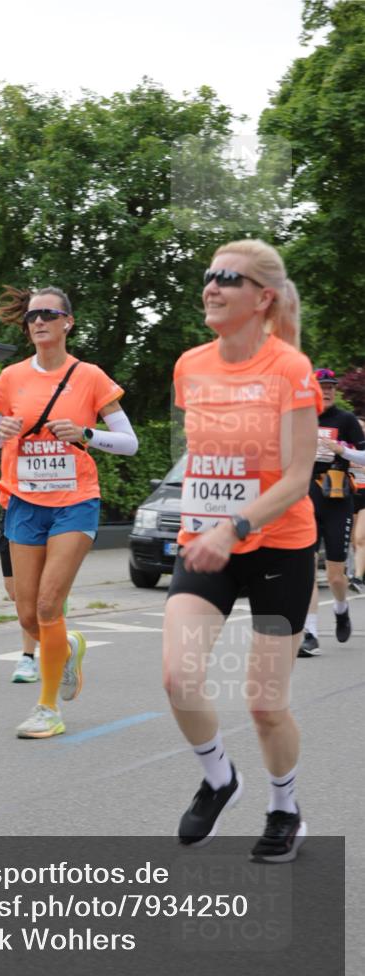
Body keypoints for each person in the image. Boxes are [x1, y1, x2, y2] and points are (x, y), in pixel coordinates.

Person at [163, 239, 322, 863]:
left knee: (265, 703)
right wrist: (209, 526)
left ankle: (285, 807)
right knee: (178, 677)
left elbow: (296, 476)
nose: (211, 285)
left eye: (227, 278)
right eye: (207, 275)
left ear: (263, 299)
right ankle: (219, 778)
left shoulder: (290, 369)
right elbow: (204, 457)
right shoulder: (189, 366)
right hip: (202, 544)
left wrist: (234, 526)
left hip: (278, 545)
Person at [0, 285, 138, 738]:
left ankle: (47, 708)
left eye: (48, 314)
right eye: (32, 316)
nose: (38, 322)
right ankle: (65, 645)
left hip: (75, 502)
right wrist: (2, 431)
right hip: (25, 503)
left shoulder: (89, 376)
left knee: (50, 604)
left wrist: (86, 433)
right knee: (28, 615)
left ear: (67, 322)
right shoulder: (11, 377)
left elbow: (130, 443)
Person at [297, 371, 365, 656]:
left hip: (337, 499)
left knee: (336, 574)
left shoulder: (346, 420)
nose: (326, 392)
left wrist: (342, 451)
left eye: (330, 388)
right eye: (321, 387)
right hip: (305, 499)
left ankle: (341, 608)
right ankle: (310, 633)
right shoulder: (300, 419)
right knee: (307, 570)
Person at [0, 440, 39, 682]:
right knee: (17, 594)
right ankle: (57, 630)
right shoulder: (7, 428)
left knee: (35, 597)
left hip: (45, 511)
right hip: (12, 513)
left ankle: (27, 657)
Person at [324, 417, 365, 592]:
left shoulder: (359, 448)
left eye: (362, 427)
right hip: (348, 493)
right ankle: (349, 571)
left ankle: (358, 577)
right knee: (352, 541)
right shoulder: (340, 445)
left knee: (360, 538)